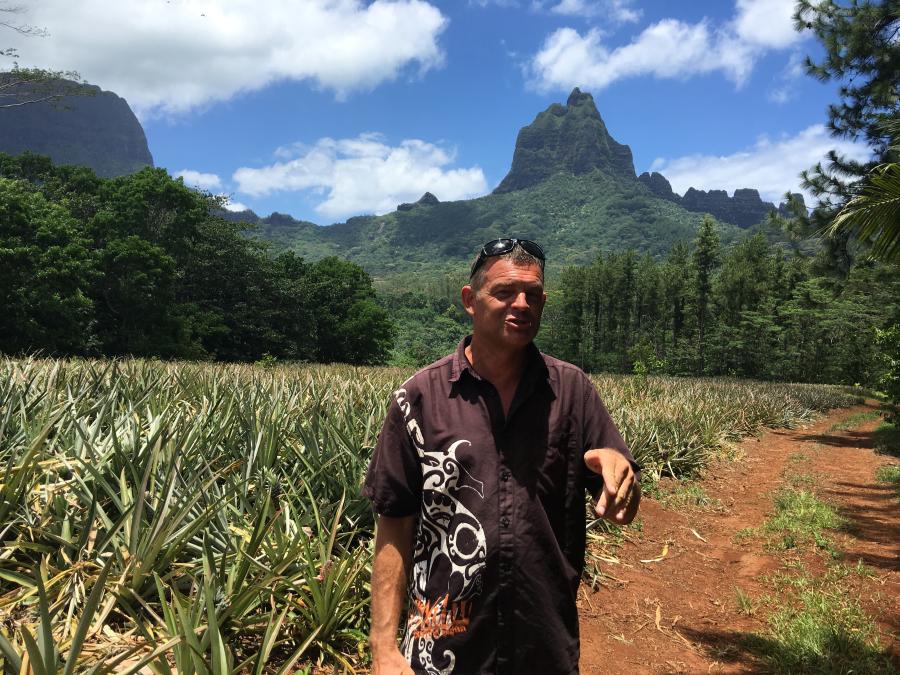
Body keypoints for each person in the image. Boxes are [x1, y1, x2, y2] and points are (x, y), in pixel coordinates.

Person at [363, 238, 640, 675]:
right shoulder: (418, 398)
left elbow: (619, 488)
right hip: (443, 644)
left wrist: (619, 477)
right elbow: (393, 522)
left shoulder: (574, 392)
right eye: (505, 292)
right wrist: (382, 646)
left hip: (542, 641)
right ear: (470, 300)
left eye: (533, 294)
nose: (522, 304)